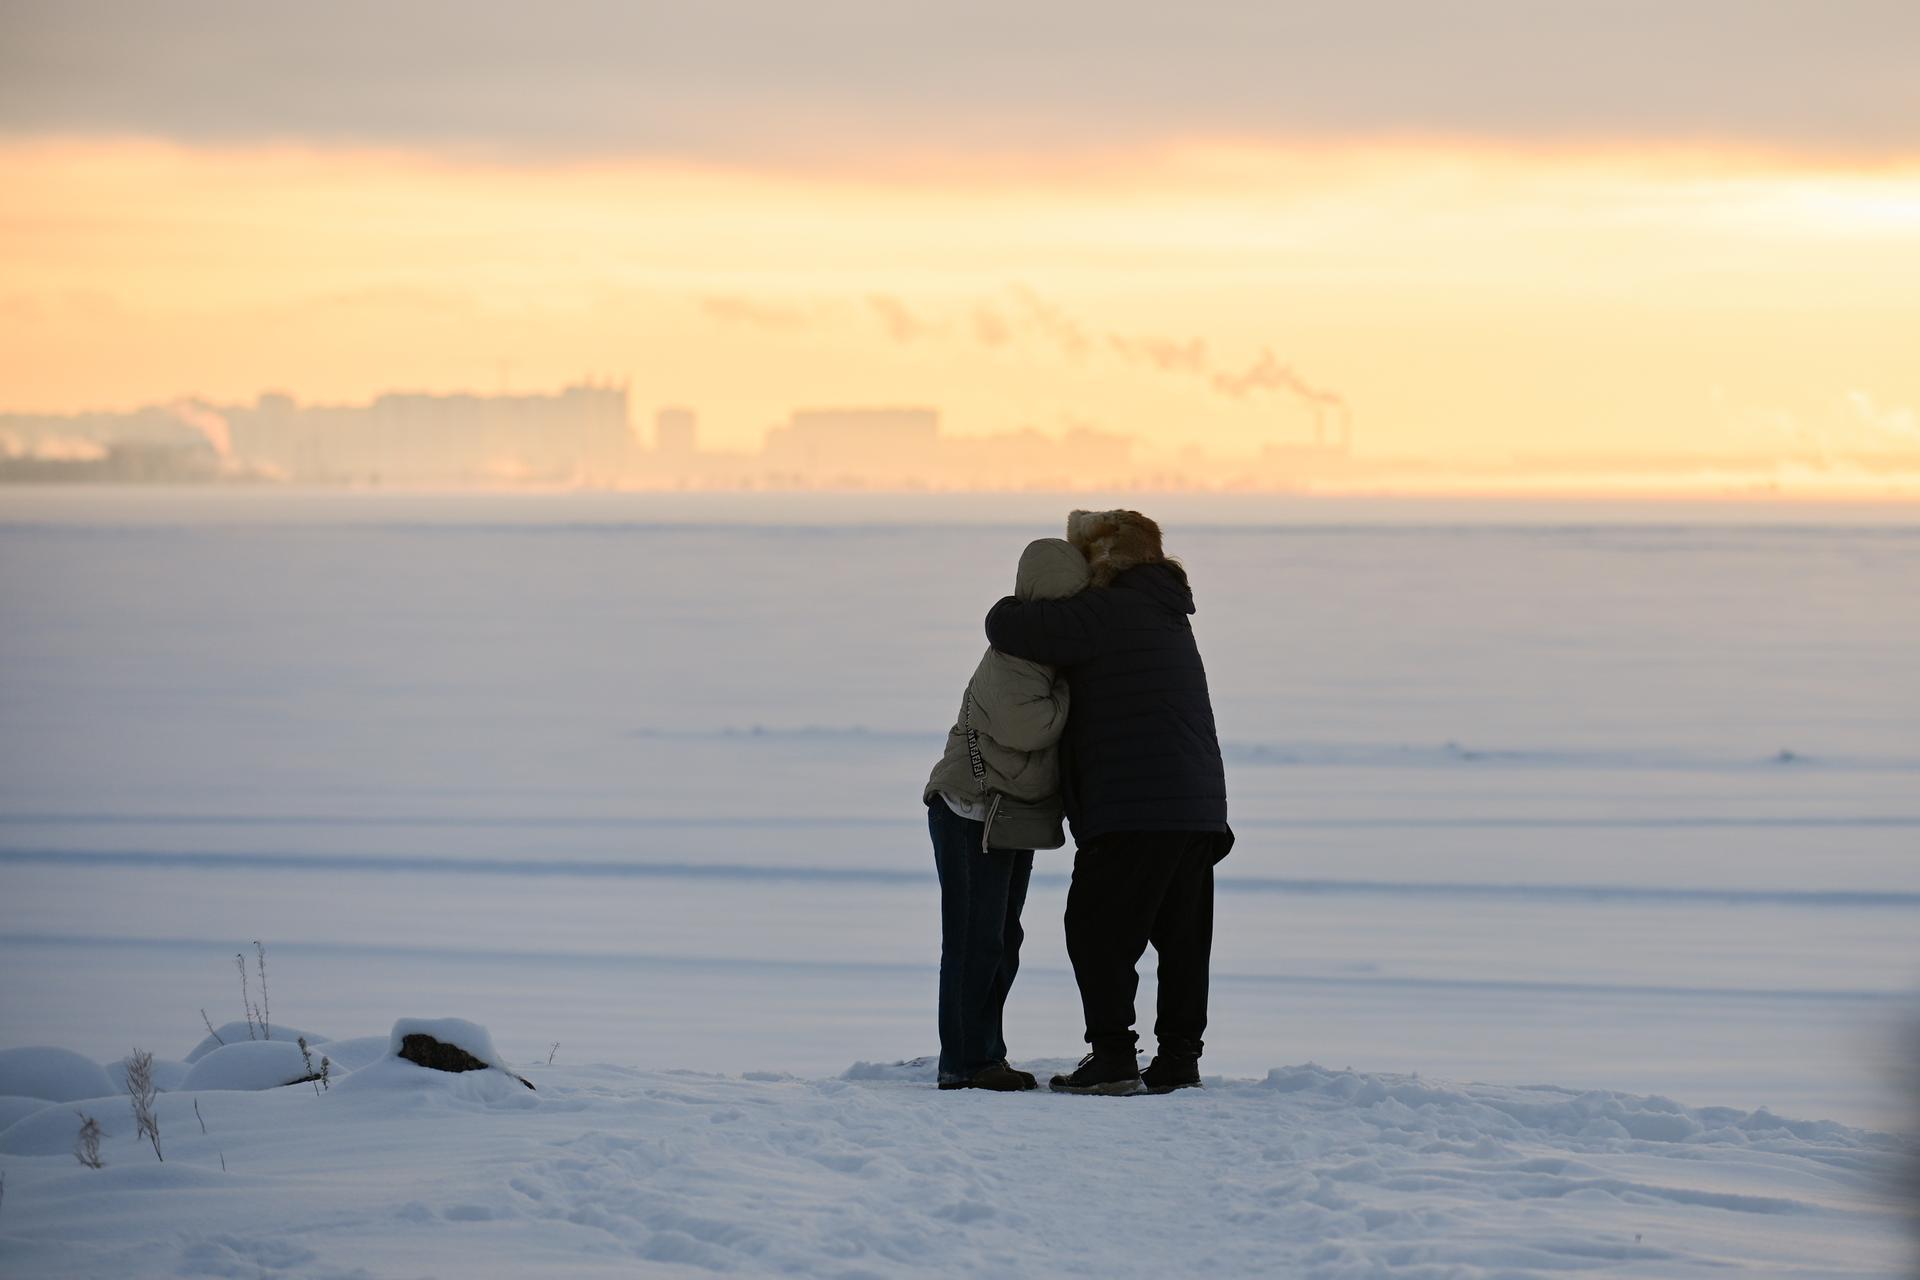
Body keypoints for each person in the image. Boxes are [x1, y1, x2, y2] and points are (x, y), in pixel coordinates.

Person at [984, 510, 1232, 1096]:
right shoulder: (1166, 609)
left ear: (1105, 557)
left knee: (1095, 930)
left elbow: (1010, 627)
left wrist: (1012, 600)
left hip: (1134, 806)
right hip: (1196, 806)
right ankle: (1178, 1059)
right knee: (1182, 938)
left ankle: (1114, 1057)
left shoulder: (1109, 609)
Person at [923, 537, 1091, 1091]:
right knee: (976, 940)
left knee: (999, 940)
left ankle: (983, 1053)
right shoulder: (1015, 656)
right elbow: (1030, 728)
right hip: (972, 809)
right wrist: (1074, 695)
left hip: (1003, 812)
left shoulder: (1036, 651)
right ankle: (965, 1063)